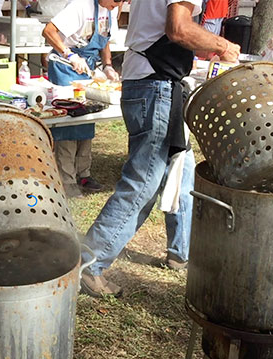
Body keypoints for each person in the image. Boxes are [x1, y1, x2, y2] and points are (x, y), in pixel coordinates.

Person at [80, 0, 240, 297]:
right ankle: (89, 264)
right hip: (155, 86)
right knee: (143, 182)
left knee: (183, 169)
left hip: (155, 83)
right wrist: (222, 44)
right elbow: (178, 29)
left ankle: (180, 251)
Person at [42, 0, 122, 198]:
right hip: (66, 68)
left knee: (87, 119)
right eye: (117, 1)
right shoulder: (80, 6)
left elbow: (104, 40)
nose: (118, 5)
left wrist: (107, 65)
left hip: (87, 68)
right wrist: (69, 55)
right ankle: (66, 179)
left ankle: (83, 174)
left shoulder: (110, 9)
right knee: (69, 123)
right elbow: (49, 31)